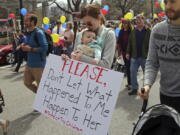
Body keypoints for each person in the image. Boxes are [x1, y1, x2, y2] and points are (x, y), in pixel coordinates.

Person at [138, 0, 180, 113]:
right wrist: (147, 84)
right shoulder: (157, 30)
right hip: (166, 96)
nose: (168, 6)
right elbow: (152, 62)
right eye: (166, 2)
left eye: (172, 1)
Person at [68, 3, 116, 69]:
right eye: (84, 24)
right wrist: (66, 59)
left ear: (99, 18)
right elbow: (73, 58)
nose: (87, 26)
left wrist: (81, 58)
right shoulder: (80, 34)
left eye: (89, 24)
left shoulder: (109, 34)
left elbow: (106, 65)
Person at [21, 14, 48, 95]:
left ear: (32, 22)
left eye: (26, 21)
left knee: (41, 85)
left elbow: (44, 48)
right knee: (27, 82)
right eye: (24, 20)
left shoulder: (39, 33)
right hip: (29, 64)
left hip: (39, 65)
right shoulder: (28, 33)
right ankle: (41, 95)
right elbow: (28, 43)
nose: (24, 22)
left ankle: (42, 99)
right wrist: (23, 45)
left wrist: (31, 49)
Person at [126, 15, 151, 95]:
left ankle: (145, 89)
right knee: (132, 72)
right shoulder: (133, 31)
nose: (138, 21)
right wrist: (127, 52)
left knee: (146, 74)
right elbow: (129, 43)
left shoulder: (148, 31)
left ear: (143, 21)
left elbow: (152, 43)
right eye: (137, 20)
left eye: (140, 20)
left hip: (145, 56)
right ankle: (134, 88)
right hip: (134, 56)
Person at [117, 19, 132, 90]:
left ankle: (131, 83)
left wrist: (129, 52)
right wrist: (119, 53)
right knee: (127, 68)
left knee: (130, 68)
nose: (124, 25)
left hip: (130, 53)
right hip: (123, 52)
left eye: (126, 23)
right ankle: (129, 83)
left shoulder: (131, 31)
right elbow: (119, 42)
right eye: (123, 23)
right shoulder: (121, 31)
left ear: (128, 24)